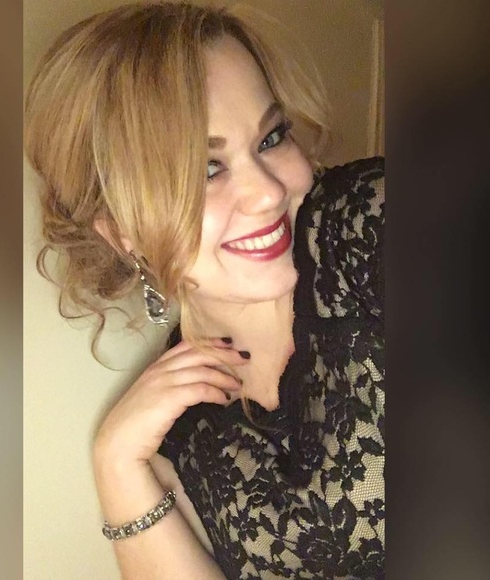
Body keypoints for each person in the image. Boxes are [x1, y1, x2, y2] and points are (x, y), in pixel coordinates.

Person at [24, 2, 384, 579]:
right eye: (206, 170)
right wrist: (116, 464)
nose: (268, 193)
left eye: (271, 137)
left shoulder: (369, 225)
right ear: (122, 232)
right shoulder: (179, 435)